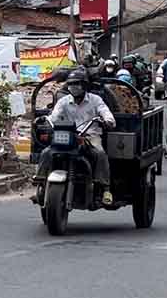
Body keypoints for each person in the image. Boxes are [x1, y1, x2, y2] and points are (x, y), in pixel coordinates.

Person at [34, 69, 117, 206]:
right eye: (71, 84)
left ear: (84, 85)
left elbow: (105, 112)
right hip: (67, 135)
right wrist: (46, 121)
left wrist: (107, 120)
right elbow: (54, 116)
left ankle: (105, 188)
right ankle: (40, 182)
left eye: (77, 83)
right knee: (47, 152)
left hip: (90, 135)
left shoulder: (95, 100)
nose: (74, 87)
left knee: (100, 153)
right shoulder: (63, 101)